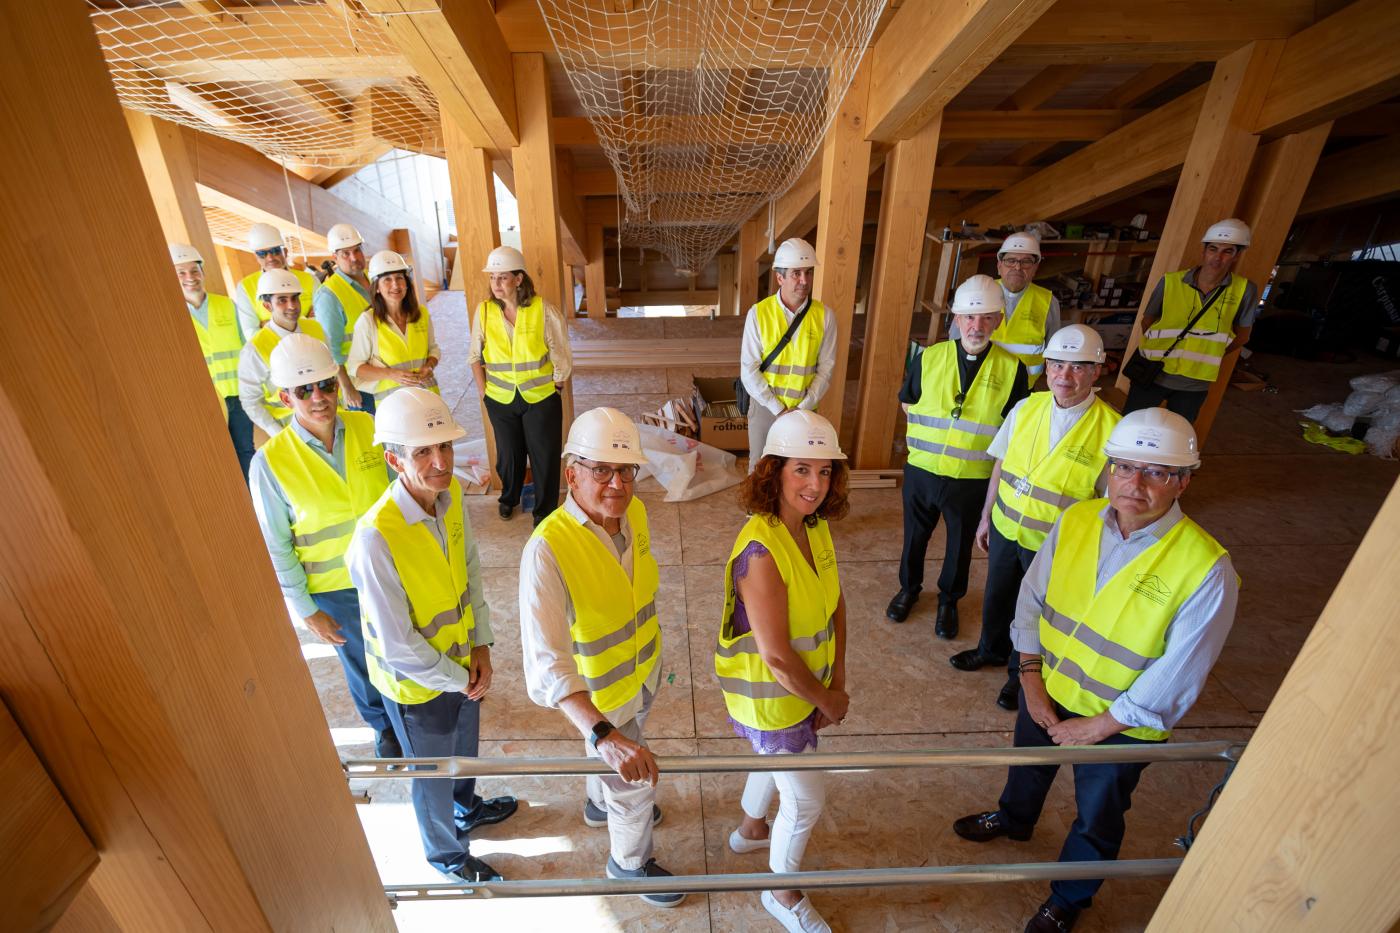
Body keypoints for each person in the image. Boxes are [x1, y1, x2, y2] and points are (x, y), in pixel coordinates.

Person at [952, 408, 1238, 933]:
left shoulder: (1206, 568)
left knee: (1099, 815)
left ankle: (1069, 897)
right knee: (1028, 768)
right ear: (1108, 469)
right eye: (1125, 467)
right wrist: (1031, 681)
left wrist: (1100, 725)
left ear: (1184, 481)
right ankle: (1015, 820)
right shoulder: (1077, 519)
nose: (1135, 484)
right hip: (1049, 692)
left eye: (1156, 472)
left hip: (1122, 726)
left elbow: (1179, 674)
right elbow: (1032, 602)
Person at [346, 388, 518, 883]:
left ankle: (467, 808)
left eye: (443, 445)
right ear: (393, 458)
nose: (440, 461)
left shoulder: (452, 495)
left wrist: (481, 644)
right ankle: (446, 856)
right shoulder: (376, 538)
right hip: (419, 686)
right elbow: (399, 644)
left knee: (462, 752)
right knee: (431, 774)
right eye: (423, 451)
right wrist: (458, 678)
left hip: (464, 666)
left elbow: (470, 572)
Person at [518, 407, 684, 908]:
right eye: (601, 470)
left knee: (618, 775)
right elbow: (547, 664)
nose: (618, 484)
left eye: (627, 470)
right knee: (634, 785)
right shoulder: (547, 550)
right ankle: (629, 863)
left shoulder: (634, 514)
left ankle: (598, 803)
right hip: (602, 700)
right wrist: (603, 734)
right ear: (571, 472)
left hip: (641, 676)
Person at [718, 410, 850, 933]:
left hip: (804, 690)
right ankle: (781, 892)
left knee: (772, 761)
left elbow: (836, 604)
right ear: (773, 471)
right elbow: (775, 656)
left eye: (824, 471)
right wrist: (827, 699)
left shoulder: (812, 529)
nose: (815, 485)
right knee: (805, 797)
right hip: (772, 698)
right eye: (801, 470)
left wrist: (837, 680)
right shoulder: (761, 551)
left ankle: (751, 829)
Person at [952, 325, 1122, 712]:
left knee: (1034, 612)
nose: (1064, 376)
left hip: (1054, 544)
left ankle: (1019, 673)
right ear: (1045, 367)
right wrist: (985, 518)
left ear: (1097, 372)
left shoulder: (1112, 430)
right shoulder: (1026, 408)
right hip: (1007, 527)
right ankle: (990, 650)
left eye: (1078, 367)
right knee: (997, 595)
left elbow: (1109, 505)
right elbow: (1000, 465)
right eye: (1057, 364)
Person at [247, 334, 397, 760]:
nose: (319, 397)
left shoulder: (370, 427)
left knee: (402, 648)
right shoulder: (271, 463)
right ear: (284, 397)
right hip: (333, 587)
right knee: (360, 663)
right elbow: (276, 545)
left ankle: (410, 717)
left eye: (326, 384)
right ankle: (382, 727)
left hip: (390, 571)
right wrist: (307, 610)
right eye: (304, 390)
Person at [886, 275, 1029, 637]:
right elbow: (907, 400)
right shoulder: (930, 357)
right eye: (969, 317)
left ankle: (949, 600)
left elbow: (1015, 429)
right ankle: (909, 589)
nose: (976, 326)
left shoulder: (1013, 370)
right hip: (922, 470)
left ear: (998, 320)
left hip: (972, 477)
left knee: (960, 544)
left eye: (985, 318)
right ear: (957, 319)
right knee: (914, 536)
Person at [469, 246, 572, 525]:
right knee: (508, 457)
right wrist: (484, 393)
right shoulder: (485, 311)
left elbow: (561, 355)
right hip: (500, 399)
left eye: (503, 277)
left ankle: (544, 511)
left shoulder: (543, 310)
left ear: (518, 279)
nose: (496, 284)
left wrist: (557, 389)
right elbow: (474, 357)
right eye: (493, 278)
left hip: (541, 398)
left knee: (545, 456)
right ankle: (509, 498)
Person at [1126, 218, 1259, 421]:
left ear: (1237, 255)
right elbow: (1147, 321)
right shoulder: (1171, 282)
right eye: (1213, 249)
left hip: (1195, 382)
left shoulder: (1244, 290)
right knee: (1129, 425)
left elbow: (1242, 337)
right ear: (1204, 251)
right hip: (1153, 372)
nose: (1218, 257)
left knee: (1177, 436)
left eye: (1227, 251)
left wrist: (1209, 352)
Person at [739, 238, 839, 470]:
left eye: (808, 272)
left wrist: (804, 406)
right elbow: (749, 370)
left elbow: (826, 367)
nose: (804, 281)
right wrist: (779, 409)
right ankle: (759, 509)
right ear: (780, 277)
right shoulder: (759, 314)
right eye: (796, 273)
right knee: (762, 469)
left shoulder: (824, 316)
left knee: (798, 469)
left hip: (805, 408)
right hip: (766, 407)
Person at [171, 243, 255, 480]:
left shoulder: (227, 305)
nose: (190, 278)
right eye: (181, 273)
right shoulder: (171, 314)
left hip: (237, 397)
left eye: (194, 271)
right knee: (215, 457)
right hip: (203, 401)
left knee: (245, 453)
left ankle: (252, 509)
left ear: (203, 273)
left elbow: (248, 349)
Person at [951, 232, 1061, 388]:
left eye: (1026, 262)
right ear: (999, 265)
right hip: (976, 385)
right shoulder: (975, 292)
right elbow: (954, 345)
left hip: (1023, 389)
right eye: (1011, 260)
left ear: (1035, 268)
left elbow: (1056, 357)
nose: (1017, 267)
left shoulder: (1048, 302)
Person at [236, 269, 331, 439]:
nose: (292, 306)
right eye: (282, 300)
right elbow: (250, 401)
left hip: (329, 417)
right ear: (267, 306)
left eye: (295, 298)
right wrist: (277, 433)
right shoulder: (255, 349)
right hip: (291, 427)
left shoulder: (315, 328)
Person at [347, 250, 441, 406]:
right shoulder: (368, 321)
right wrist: (391, 374)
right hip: (393, 406)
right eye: (387, 280)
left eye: (399, 278)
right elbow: (355, 368)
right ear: (377, 287)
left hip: (427, 398)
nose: (396, 285)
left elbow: (433, 349)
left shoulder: (421, 314)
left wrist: (429, 365)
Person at [313, 223, 373, 413]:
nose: (354, 257)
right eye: (345, 253)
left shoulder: (375, 280)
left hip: (384, 373)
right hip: (359, 384)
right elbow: (331, 348)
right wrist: (347, 387)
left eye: (357, 250)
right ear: (335, 257)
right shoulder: (329, 295)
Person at [233, 222, 318, 341]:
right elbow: (252, 334)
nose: (270, 258)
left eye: (275, 251)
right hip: (272, 355)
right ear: (256, 257)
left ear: (286, 252)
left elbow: (322, 323)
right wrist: (305, 320)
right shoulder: (245, 287)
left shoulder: (310, 280)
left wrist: (270, 326)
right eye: (262, 254)